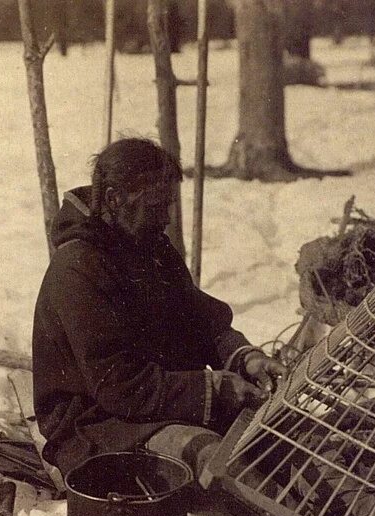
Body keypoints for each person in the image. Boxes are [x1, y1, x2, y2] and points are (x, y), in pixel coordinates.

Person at [31, 138, 287, 486]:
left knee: (280, 434)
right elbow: (119, 386)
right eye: (154, 206)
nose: (166, 218)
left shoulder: (151, 249)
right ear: (112, 200)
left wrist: (244, 359)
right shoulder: (78, 267)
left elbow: (200, 320)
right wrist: (214, 388)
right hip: (100, 426)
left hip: (159, 403)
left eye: (168, 204)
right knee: (217, 461)